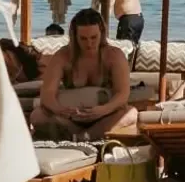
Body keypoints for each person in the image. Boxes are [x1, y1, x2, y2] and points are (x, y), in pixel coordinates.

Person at [30, 8, 138, 140]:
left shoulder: (114, 56)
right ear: (75, 36)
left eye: (93, 37)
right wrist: (61, 110)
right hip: (70, 118)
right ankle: (83, 135)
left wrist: (103, 110)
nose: (89, 44)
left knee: (131, 114)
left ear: (102, 33)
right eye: (83, 39)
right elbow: (47, 95)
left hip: (104, 116)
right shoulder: (62, 56)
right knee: (37, 115)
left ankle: (82, 136)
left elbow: (123, 93)